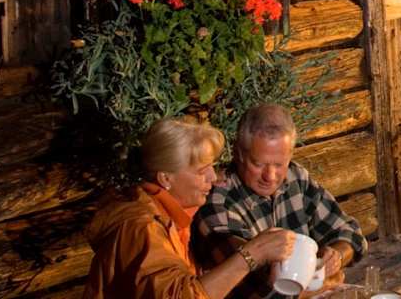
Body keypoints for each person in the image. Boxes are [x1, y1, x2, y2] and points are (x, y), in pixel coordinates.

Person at [84, 117, 299, 299]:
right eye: (201, 171)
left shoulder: (173, 218)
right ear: (165, 178)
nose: (213, 177)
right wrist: (254, 253)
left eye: (212, 166)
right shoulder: (140, 228)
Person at [194, 104, 367, 299]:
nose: (270, 176)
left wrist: (337, 256)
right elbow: (258, 291)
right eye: (258, 164)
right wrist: (327, 283)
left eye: (279, 164)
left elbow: (351, 234)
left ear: (290, 155)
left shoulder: (296, 177)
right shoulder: (217, 203)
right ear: (238, 153)